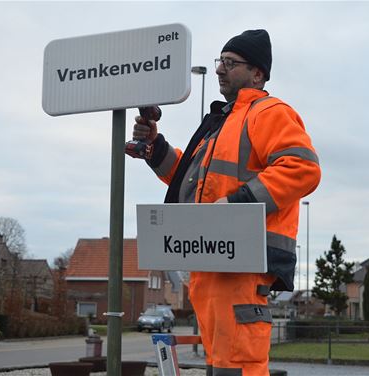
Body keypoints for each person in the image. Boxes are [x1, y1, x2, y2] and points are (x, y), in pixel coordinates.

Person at [130, 29, 321, 376]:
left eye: (230, 63)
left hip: (243, 266)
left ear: (258, 73)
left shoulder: (268, 112)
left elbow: (303, 168)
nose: (220, 69)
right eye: (220, 61)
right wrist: (156, 149)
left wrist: (236, 205)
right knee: (222, 365)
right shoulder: (222, 124)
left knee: (239, 365)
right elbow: (191, 182)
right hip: (213, 266)